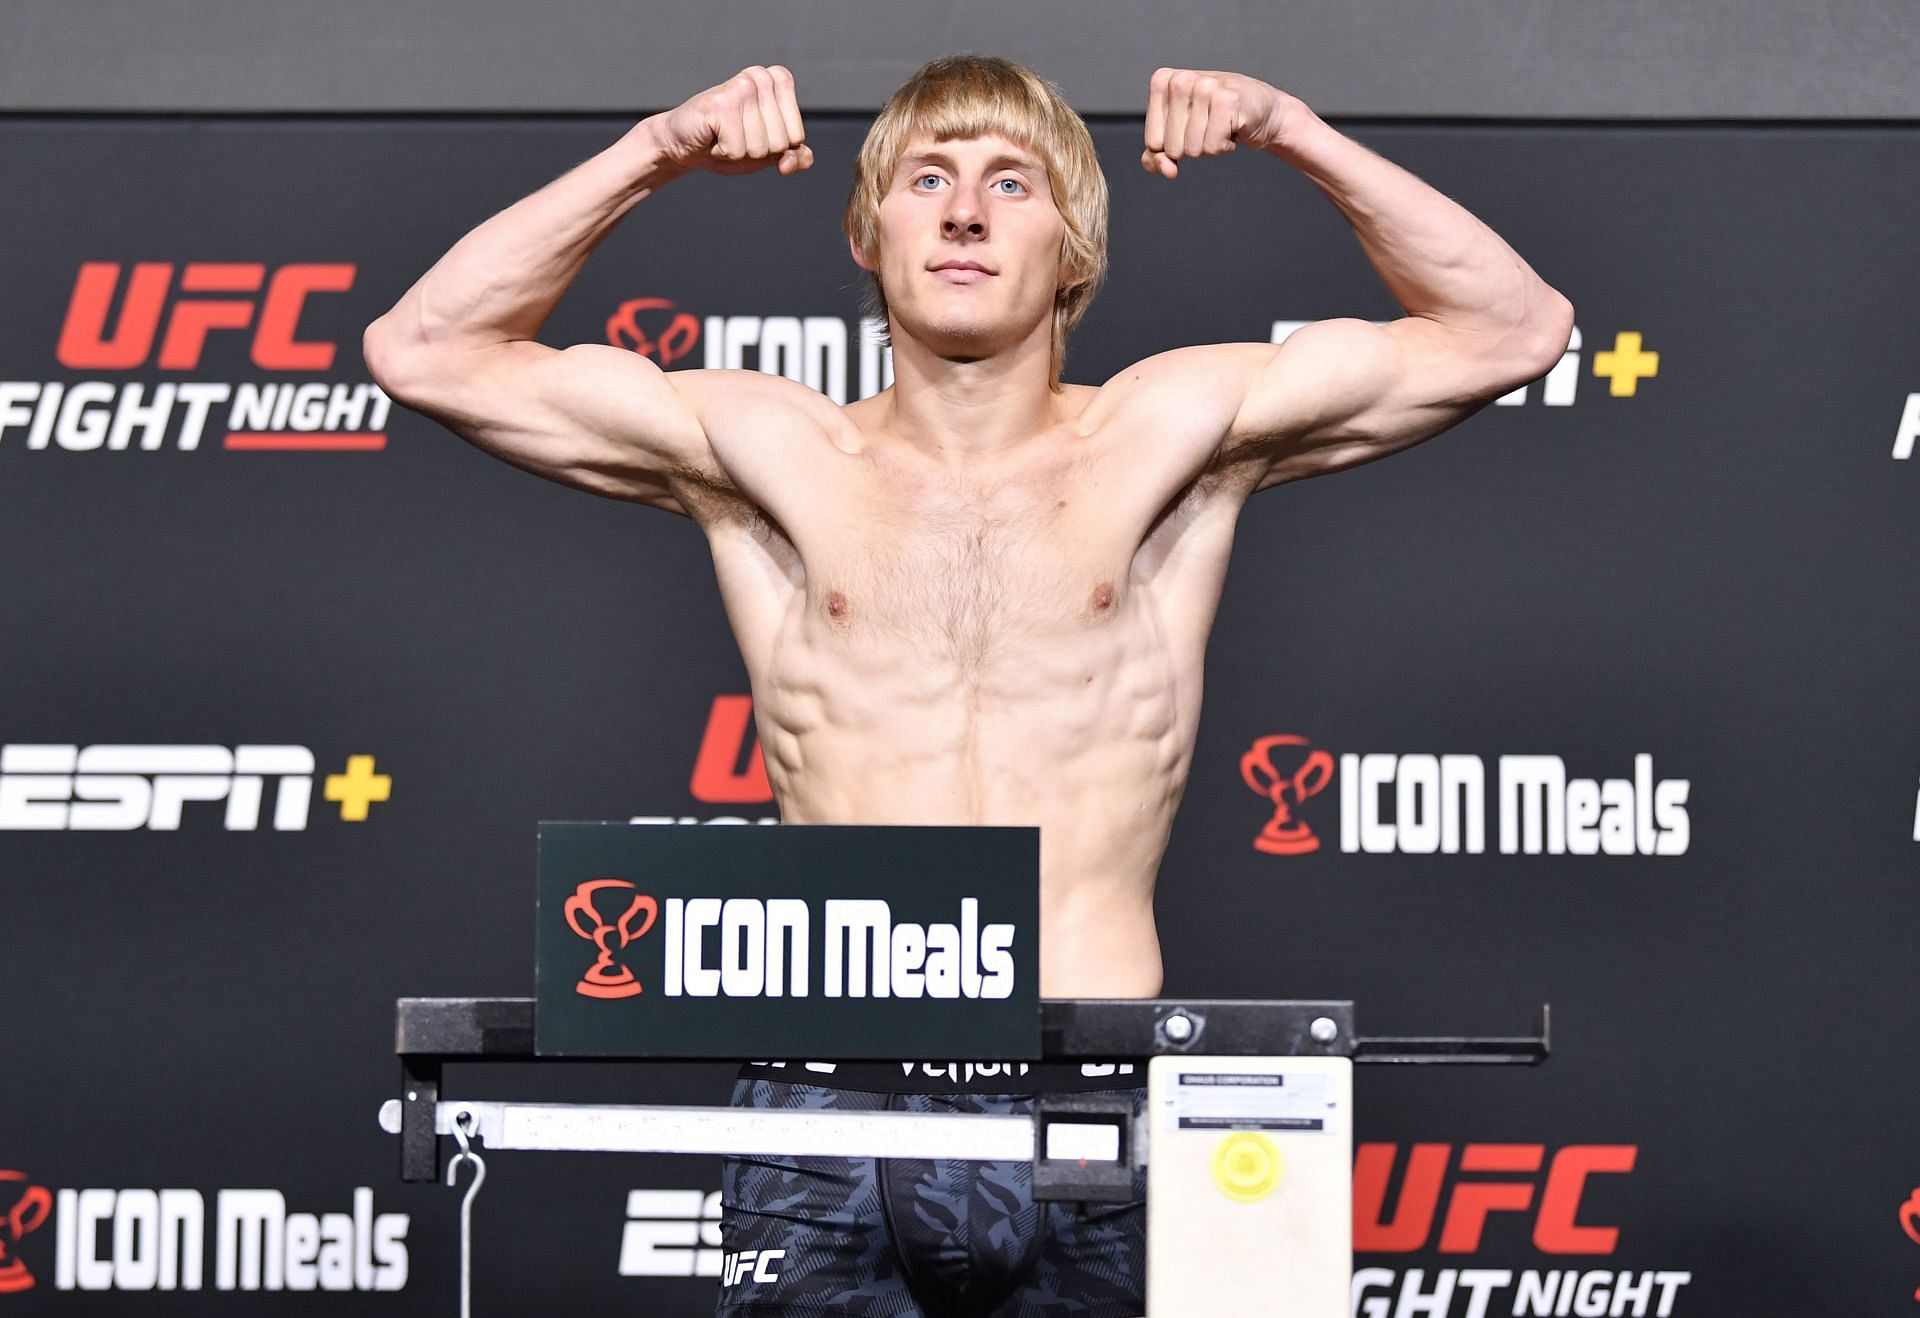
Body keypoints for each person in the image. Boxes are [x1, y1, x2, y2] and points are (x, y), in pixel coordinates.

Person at [364, 53, 1572, 1318]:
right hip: (832, 1086)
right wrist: (655, 149)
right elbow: (427, 348)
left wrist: (1295, 131)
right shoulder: (770, 452)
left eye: (1012, 182)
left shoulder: (1170, 438)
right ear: (868, 229)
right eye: (925, 179)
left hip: (1089, 1076)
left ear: (1074, 246)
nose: (963, 212)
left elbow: (1515, 327)